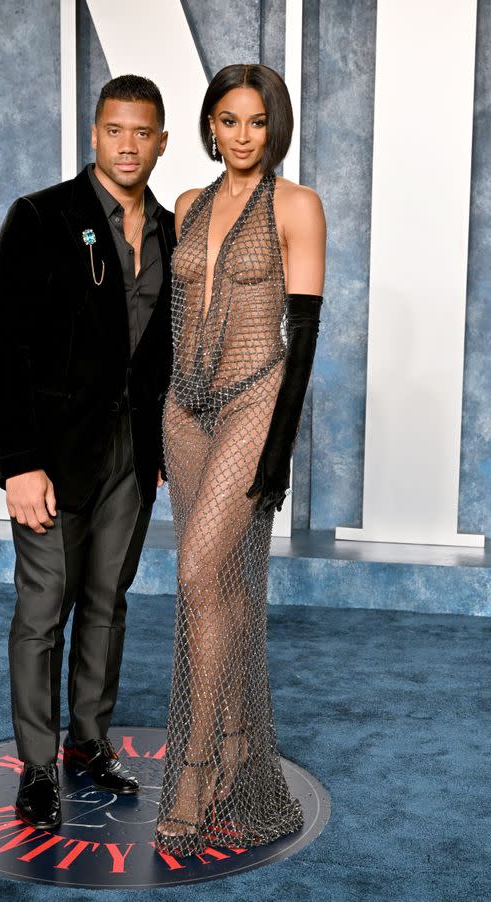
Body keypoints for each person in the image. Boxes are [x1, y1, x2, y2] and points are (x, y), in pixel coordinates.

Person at [0, 75, 175, 830]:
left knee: (106, 602)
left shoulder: (166, 226)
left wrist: (155, 448)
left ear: (160, 141)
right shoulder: (40, 217)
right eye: (115, 130)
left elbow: (155, 351)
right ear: (95, 135)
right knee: (42, 609)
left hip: (132, 452)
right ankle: (37, 764)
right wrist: (18, 461)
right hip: (52, 458)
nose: (128, 145)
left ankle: (88, 741)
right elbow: (3, 348)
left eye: (143, 132)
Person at [155, 64, 326, 854]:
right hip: (184, 411)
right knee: (209, 590)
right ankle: (230, 748)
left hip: (255, 402)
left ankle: (195, 768)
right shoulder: (188, 205)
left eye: (257, 122)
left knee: (197, 572)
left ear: (275, 127)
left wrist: (279, 456)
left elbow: (305, 339)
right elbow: (166, 315)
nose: (242, 137)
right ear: (210, 126)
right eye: (228, 121)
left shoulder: (297, 206)